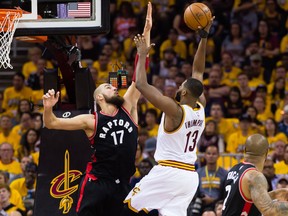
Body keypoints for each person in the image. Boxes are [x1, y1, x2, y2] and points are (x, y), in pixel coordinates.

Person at [42, 4, 154, 215]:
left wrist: (146, 34)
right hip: (97, 183)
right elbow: (52, 123)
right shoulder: (91, 120)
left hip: (122, 184)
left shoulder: (128, 106)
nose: (113, 86)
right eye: (107, 86)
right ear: (100, 97)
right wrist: (48, 108)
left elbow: (139, 80)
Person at [121, 3, 212, 215]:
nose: (178, 87)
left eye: (181, 86)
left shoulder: (175, 110)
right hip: (189, 177)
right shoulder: (200, 105)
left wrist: (142, 54)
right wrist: (204, 38)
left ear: (186, 93)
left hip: (168, 172)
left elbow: (142, 86)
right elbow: (198, 70)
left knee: (128, 207)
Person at [222, 134, 288, 216]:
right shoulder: (254, 176)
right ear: (267, 153)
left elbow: (243, 201)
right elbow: (269, 210)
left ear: (245, 150)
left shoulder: (234, 169)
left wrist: (275, 194)